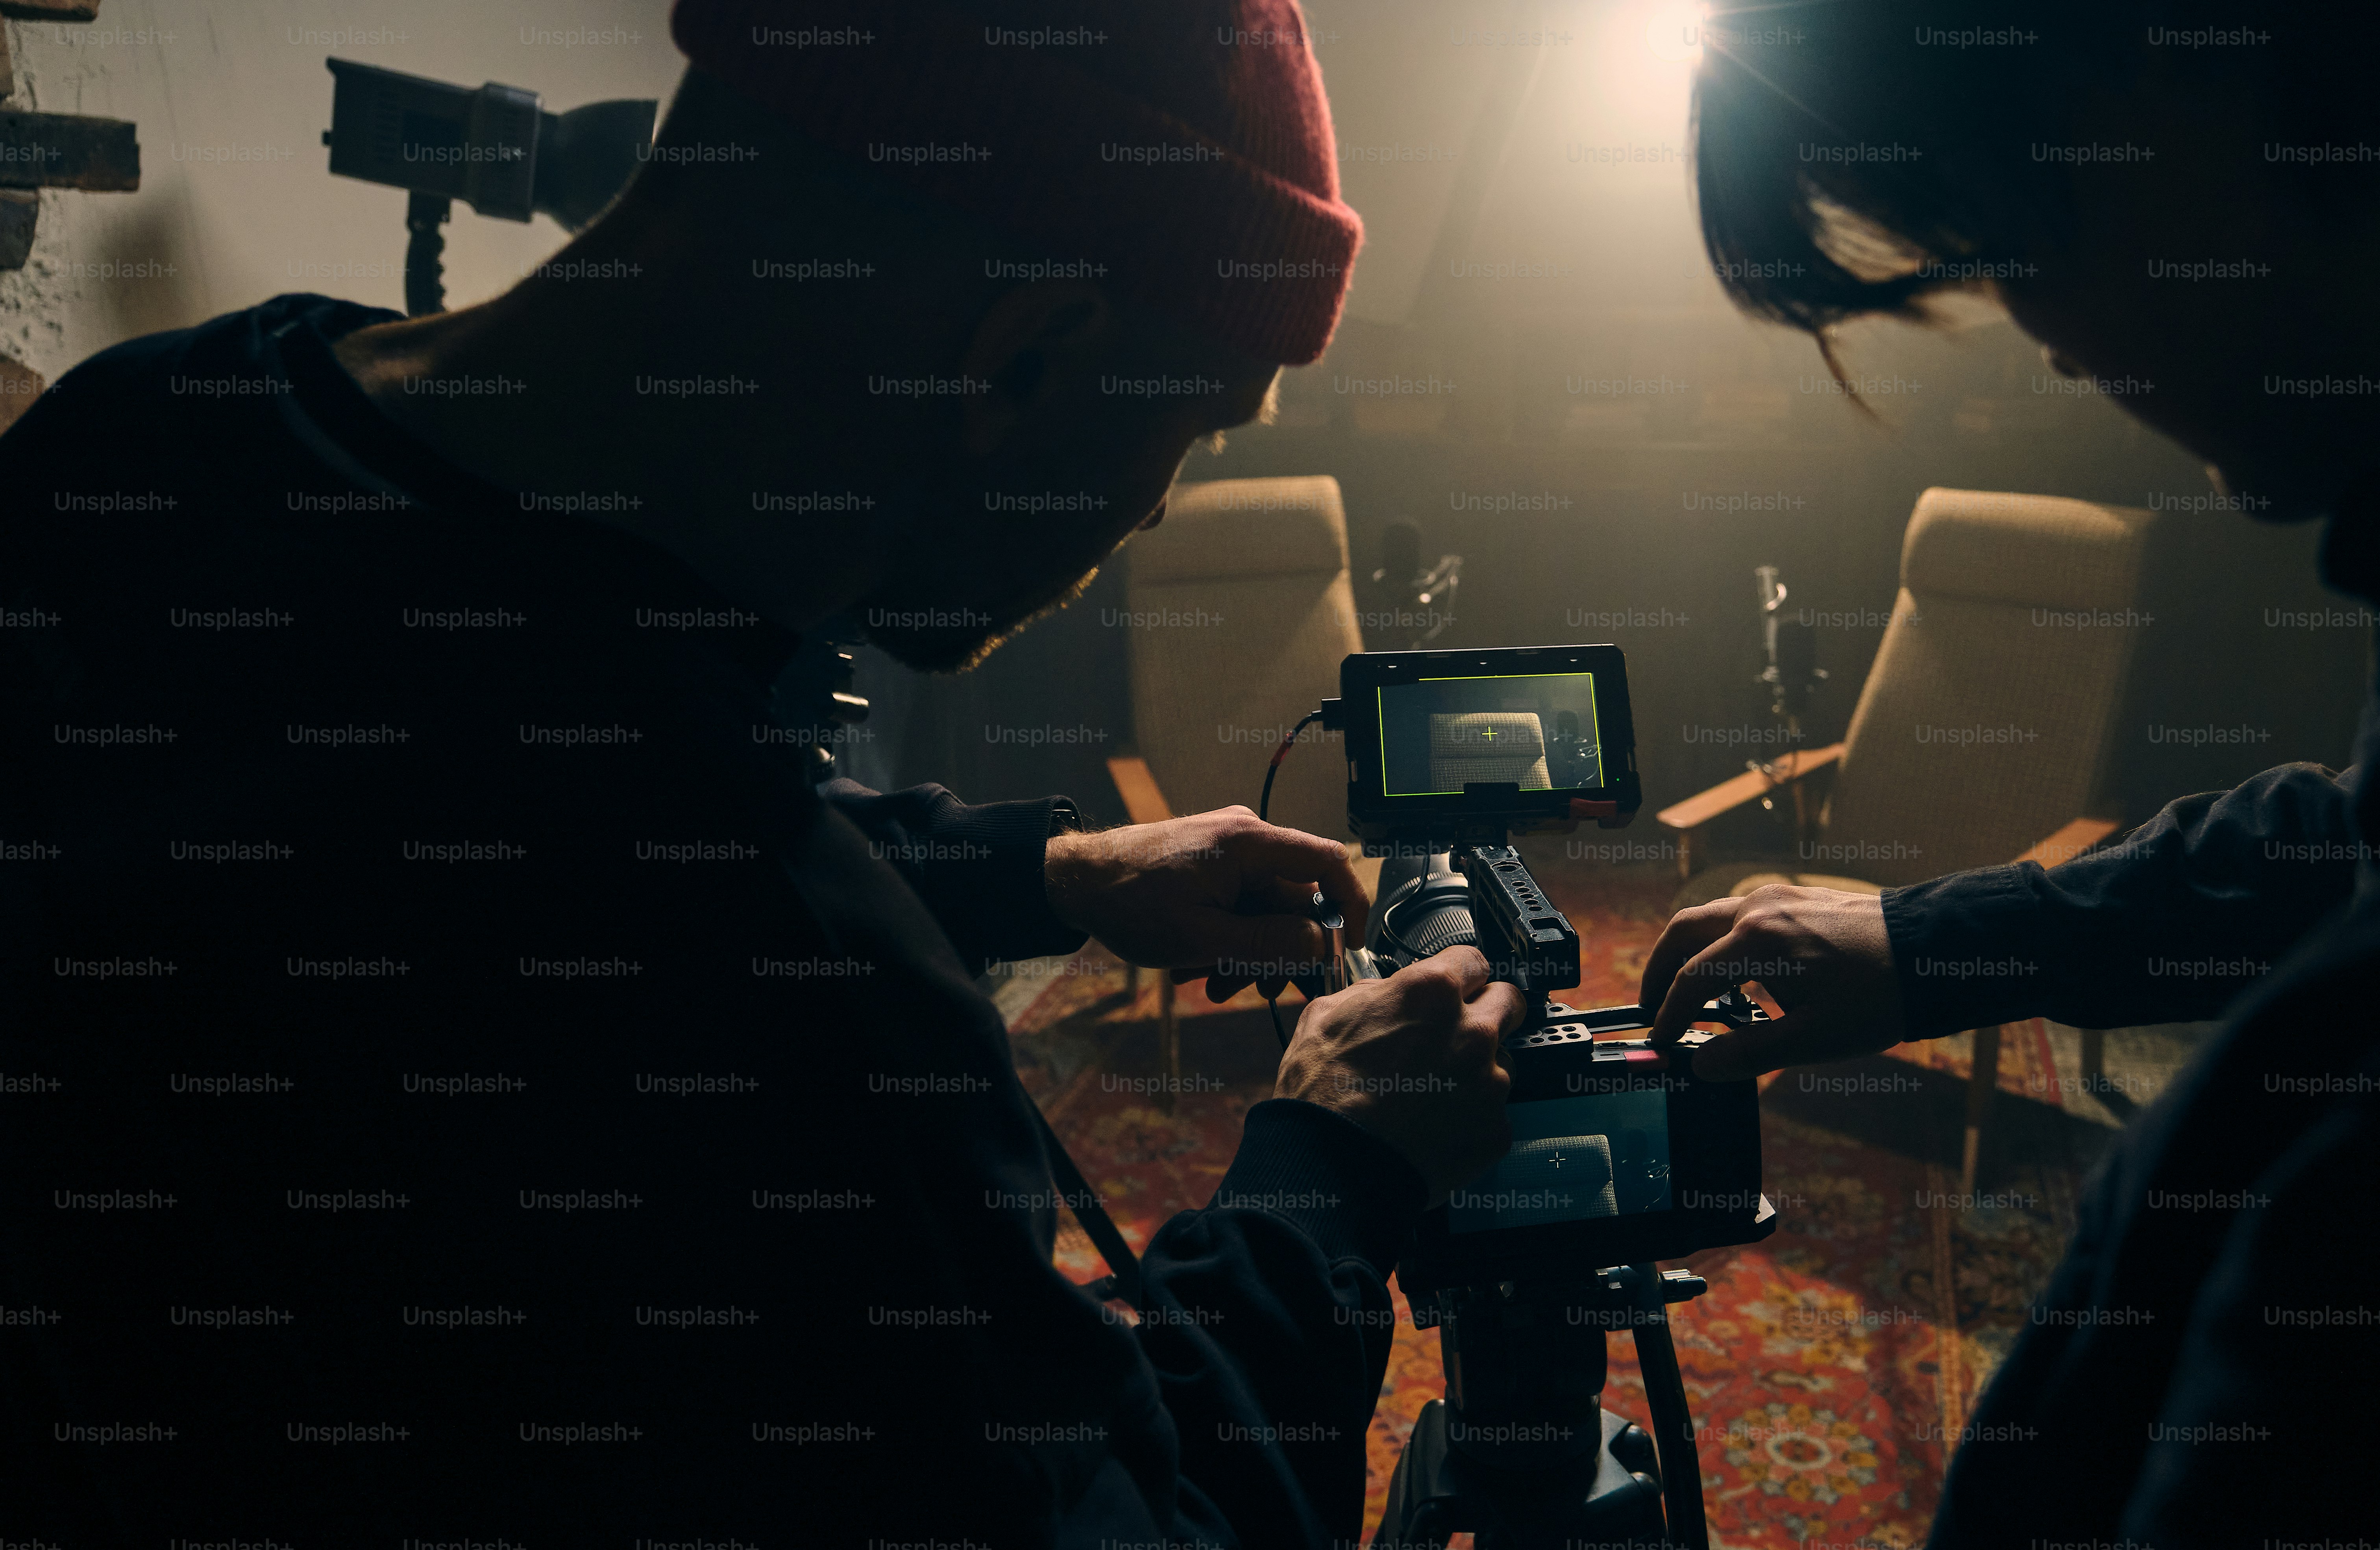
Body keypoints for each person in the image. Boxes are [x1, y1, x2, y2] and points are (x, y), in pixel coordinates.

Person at [0, 4, 1520, 1545]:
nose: (1151, 516)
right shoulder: (821, 1043)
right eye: (1192, 432)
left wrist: (1037, 870)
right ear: (1028, 353)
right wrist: (1324, 1171)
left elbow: (528, 762)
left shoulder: (141, 433)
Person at [1646, 2, 2380, 1540]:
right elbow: (2371, 829)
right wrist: (1922, 941)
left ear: (2189, 52)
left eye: (2002, 224)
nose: (2044, 338)